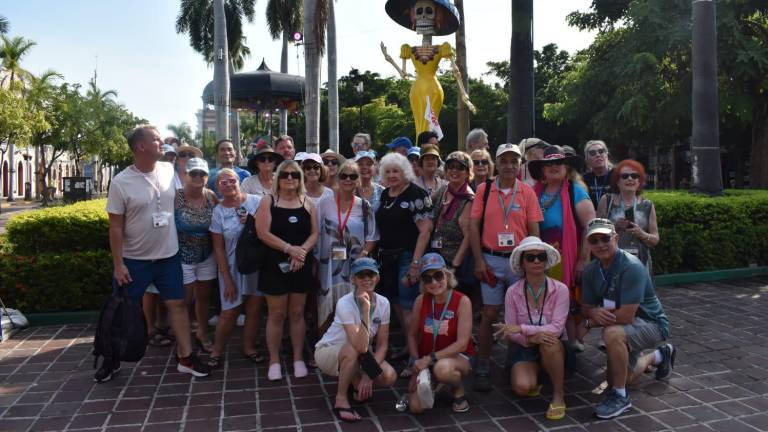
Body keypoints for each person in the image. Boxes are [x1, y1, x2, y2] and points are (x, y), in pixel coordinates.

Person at [101, 125, 210, 382]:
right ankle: (111, 358)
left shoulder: (167, 169)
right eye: (157, 140)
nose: (162, 143)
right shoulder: (121, 182)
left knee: (178, 305)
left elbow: (186, 194)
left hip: (168, 257)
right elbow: (115, 226)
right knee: (121, 311)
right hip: (134, 260)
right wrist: (119, 264)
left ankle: (186, 358)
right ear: (141, 147)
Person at [580, 218, 674, 419]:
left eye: (605, 238)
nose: (600, 245)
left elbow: (625, 315)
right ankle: (659, 356)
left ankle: (620, 397)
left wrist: (590, 321)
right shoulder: (590, 271)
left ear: (616, 237)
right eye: (594, 240)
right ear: (588, 244)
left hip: (652, 324)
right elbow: (586, 306)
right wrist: (591, 312)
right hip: (627, 327)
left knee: (612, 333)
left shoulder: (631, 266)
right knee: (624, 376)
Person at [469, 143, 542, 392]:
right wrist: (478, 260)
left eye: (514, 161)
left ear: (519, 164)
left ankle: (515, 361)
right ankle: (483, 363)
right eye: (504, 161)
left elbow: (534, 230)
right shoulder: (484, 189)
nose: (509, 166)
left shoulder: (527, 192)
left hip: (518, 261)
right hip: (491, 259)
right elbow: (473, 227)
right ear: (496, 164)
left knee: (518, 315)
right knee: (489, 314)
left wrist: (534, 261)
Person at [256, 160, 319, 381]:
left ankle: (297, 357)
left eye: (294, 174)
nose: (289, 178)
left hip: (300, 265)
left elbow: (314, 233)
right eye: (285, 174)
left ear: (300, 178)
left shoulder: (307, 202)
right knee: (276, 314)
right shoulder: (268, 201)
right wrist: (289, 249)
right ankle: (274, 360)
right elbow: (263, 233)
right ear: (278, 178)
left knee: (297, 313)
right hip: (274, 265)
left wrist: (301, 252)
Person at [493, 236, 569, 420]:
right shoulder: (513, 291)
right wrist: (528, 338)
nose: (536, 261)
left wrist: (522, 330)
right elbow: (509, 332)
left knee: (549, 342)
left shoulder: (560, 289)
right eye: (530, 257)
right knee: (522, 388)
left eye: (541, 257)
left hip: (551, 344)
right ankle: (538, 374)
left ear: (546, 261)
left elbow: (557, 329)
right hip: (525, 346)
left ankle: (559, 396)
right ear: (522, 263)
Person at [314, 258, 397, 423]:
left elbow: (382, 345)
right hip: (330, 350)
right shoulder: (345, 303)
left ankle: (355, 379)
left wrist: (368, 376)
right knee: (353, 350)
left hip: (361, 352)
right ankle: (340, 399)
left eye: (371, 274)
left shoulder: (384, 302)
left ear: (378, 277)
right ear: (353, 279)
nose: (366, 279)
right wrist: (366, 310)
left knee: (389, 376)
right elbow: (359, 346)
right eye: (361, 275)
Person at [528, 145, 595, 347]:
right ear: (542, 169)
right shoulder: (534, 193)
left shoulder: (576, 192)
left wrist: (582, 260)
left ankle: (569, 348)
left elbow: (590, 227)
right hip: (539, 258)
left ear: (566, 167)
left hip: (567, 258)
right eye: (548, 163)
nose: (553, 167)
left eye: (558, 162)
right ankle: (546, 345)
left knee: (565, 303)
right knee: (542, 301)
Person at [374, 153, 433, 367]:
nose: (391, 175)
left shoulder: (416, 194)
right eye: (387, 171)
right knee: (397, 304)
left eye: (395, 171)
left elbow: (425, 231)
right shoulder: (385, 195)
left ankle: (415, 358)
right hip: (387, 257)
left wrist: (416, 264)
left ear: (405, 171)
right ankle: (410, 347)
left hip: (408, 257)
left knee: (409, 308)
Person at [207, 169, 265, 366]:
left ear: (239, 181)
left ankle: (249, 347)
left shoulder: (256, 201)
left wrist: (253, 220)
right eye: (223, 183)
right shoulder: (218, 212)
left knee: (255, 307)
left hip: (256, 264)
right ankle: (216, 350)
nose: (229, 185)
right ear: (217, 188)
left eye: (231, 180)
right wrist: (227, 278)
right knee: (229, 311)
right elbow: (219, 248)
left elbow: (269, 228)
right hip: (231, 268)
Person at [405, 253, 474, 414]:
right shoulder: (421, 300)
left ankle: (458, 389)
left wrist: (431, 358)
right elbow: (412, 335)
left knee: (442, 369)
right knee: (416, 407)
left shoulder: (462, 301)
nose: (434, 282)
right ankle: (438, 384)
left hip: (458, 357)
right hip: (427, 360)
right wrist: (415, 365)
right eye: (428, 279)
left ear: (447, 274)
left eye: (438, 275)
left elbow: (462, 343)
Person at [317, 161, 379, 332]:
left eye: (353, 176)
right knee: (326, 304)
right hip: (328, 264)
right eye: (344, 175)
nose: (348, 179)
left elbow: (372, 236)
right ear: (338, 178)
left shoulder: (364, 206)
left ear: (358, 180)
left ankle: (354, 345)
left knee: (354, 305)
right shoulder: (325, 203)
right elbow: (315, 233)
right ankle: (325, 346)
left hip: (355, 265)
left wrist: (364, 253)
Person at [175, 158, 218, 354]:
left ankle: (202, 332)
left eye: (202, 174)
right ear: (185, 175)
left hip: (207, 255)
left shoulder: (210, 197)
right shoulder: (176, 197)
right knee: (184, 300)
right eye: (194, 173)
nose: (198, 177)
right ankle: (182, 338)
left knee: (203, 297)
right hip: (183, 256)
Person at [597, 160, 659, 274]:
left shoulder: (647, 205)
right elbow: (595, 233)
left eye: (634, 176)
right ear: (617, 181)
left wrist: (641, 233)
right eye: (625, 176)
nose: (630, 179)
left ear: (639, 181)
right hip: (611, 260)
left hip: (640, 262)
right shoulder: (607, 200)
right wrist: (613, 227)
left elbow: (655, 240)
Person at [431, 152, 474, 286]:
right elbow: (426, 205)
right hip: (436, 257)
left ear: (467, 172)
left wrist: (455, 265)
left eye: (460, 167)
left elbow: (469, 236)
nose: (454, 170)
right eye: (450, 166)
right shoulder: (444, 189)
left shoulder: (469, 199)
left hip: (453, 263)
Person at [582, 140, 614, 209]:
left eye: (601, 151)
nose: (598, 155)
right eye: (592, 153)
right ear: (587, 159)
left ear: (606, 155)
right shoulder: (584, 180)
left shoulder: (618, 175)